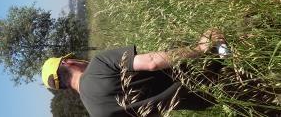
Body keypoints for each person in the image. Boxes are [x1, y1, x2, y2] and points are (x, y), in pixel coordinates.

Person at [42, 29, 227, 117]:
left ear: (64, 87)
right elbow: (152, 63)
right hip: (209, 69)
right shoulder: (98, 64)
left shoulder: (96, 112)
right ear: (68, 62)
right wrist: (200, 48)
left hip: (206, 100)